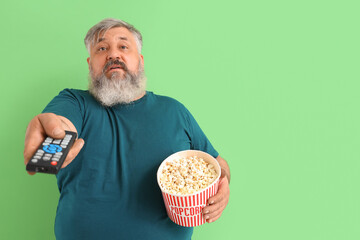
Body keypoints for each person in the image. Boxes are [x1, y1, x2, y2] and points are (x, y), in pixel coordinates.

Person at [23, 18, 230, 240]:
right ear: (90, 63)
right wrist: (51, 139)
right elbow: (60, 125)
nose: (113, 54)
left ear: (140, 61)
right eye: (101, 48)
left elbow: (217, 163)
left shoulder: (175, 112)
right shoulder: (74, 102)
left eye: (123, 46)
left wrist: (223, 184)